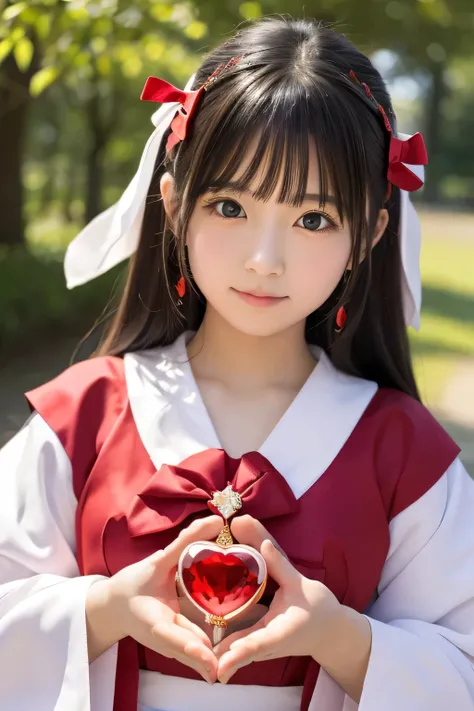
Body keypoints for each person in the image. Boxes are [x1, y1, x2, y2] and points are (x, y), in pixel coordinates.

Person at [0, 16, 473, 711]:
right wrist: (104, 609)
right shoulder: (84, 416)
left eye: (313, 218)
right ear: (174, 203)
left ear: (370, 231)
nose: (264, 259)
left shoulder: (403, 452)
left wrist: (340, 635)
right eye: (229, 206)